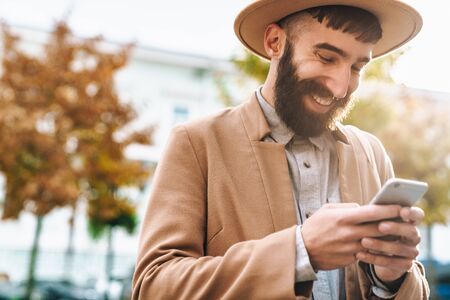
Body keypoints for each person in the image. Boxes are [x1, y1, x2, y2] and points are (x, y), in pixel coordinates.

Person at [132, 0, 429, 299]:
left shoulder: (371, 153)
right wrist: (300, 252)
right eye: (326, 57)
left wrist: (389, 279)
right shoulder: (196, 142)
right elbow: (154, 287)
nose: (340, 87)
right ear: (275, 42)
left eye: (356, 67)